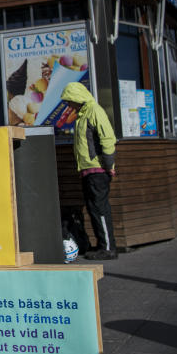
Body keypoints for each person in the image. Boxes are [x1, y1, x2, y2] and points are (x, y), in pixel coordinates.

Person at [61, 82, 118, 260]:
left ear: (77, 98)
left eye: (70, 101)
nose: (69, 105)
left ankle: (108, 248)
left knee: (100, 209)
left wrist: (109, 166)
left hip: (97, 171)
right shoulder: (82, 115)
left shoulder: (94, 111)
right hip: (88, 170)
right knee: (94, 209)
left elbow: (108, 138)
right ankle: (103, 246)